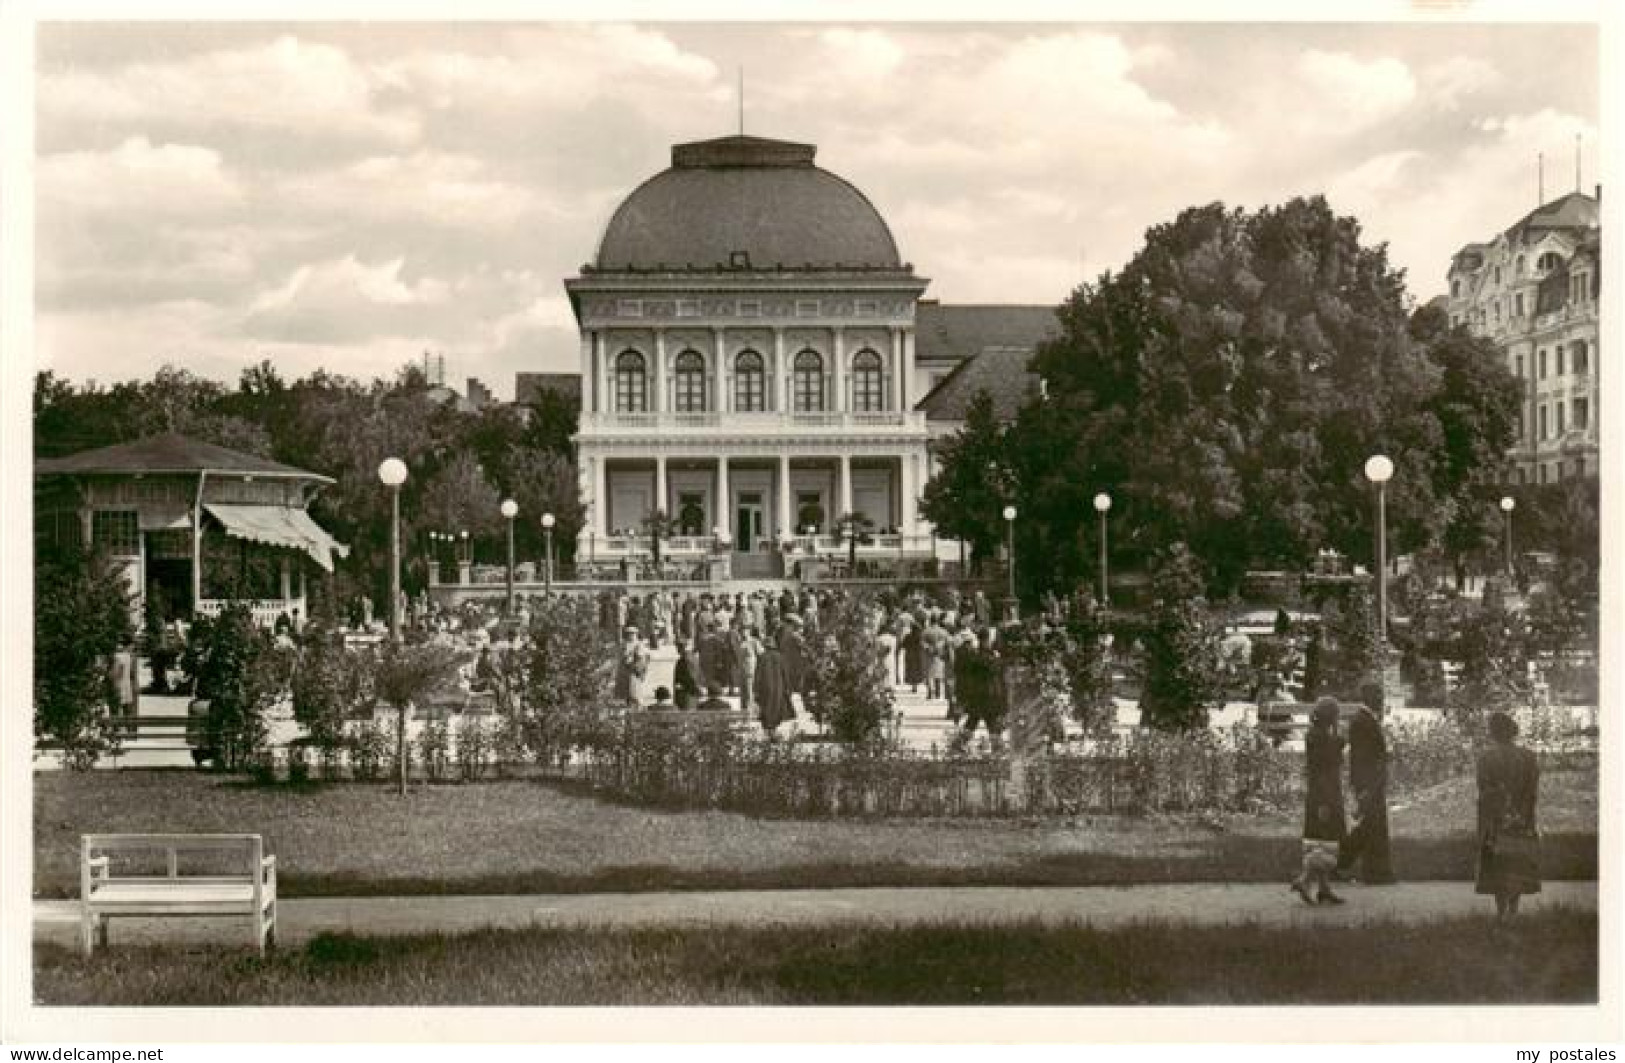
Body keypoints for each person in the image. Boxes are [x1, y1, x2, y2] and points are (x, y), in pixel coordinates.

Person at [1476, 711, 1541, 924]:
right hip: (1522, 816)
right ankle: (1513, 910)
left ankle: (1501, 911)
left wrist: (1499, 811)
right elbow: (1532, 791)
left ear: (1493, 733)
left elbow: (1484, 789)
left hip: (1495, 819)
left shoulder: (1486, 758)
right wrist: (1524, 814)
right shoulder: (1529, 756)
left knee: (1497, 864)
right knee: (1517, 862)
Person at [1337, 681, 1396, 885]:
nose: (1381, 700)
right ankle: (1347, 864)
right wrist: (1365, 788)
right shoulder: (1362, 722)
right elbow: (1361, 759)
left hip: (1372, 783)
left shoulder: (1366, 720)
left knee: (1372, 826)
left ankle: (1370, 871)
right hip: (1369, 784)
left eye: (1381, 696)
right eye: (1378, 696)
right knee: (1371, 826)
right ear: (1369, 698)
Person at [1291, 698, 1347, 906]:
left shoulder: (1317, 736)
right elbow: (1324, 770)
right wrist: (1324, 802)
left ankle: (1324, 888)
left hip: (1321, 794)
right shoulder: (1323, 739)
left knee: (1321, 842)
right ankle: (1305, 880)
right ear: (1330, 718)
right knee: (1326, 843)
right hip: (1325, 795)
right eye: (1336, 716)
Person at [754, 639, 794, 734]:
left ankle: (768, 730)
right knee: (776, 708)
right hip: (778, 687)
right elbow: (785, 674)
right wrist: (788, 687)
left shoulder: (762, 657)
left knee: (766, 707)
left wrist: (755, 689)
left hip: (765, 687)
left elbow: (758, 674)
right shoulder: (780, 657)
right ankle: (773, 730)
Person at [613, 626, 649, 708]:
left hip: (634, 672)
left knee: (635, 694)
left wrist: (635, 663)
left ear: (636, 634)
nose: (630, 635)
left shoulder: (639, 644)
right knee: (624, 696)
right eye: (628, 634)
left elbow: (642, 658)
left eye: (632, 634)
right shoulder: (623, 644)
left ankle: (636, 710)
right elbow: (620, 656)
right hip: (624, 672)